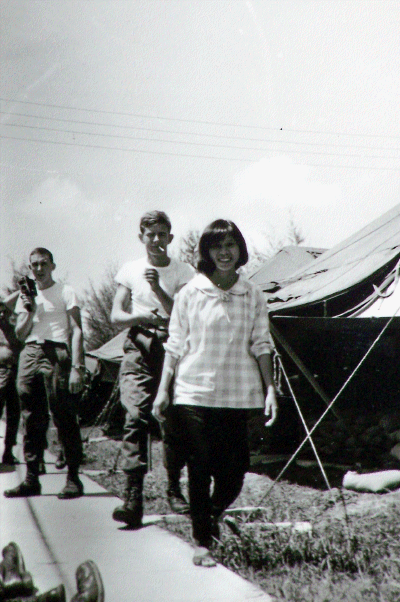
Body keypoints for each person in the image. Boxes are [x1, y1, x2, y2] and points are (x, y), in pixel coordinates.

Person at [152, 219, 278, 567]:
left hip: (239, 394)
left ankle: (208, 515)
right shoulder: (190, 293)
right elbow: (175, 345)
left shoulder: (252, 294)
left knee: (235, 472)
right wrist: (163, 391)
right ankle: (202, 541)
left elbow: (262, 344)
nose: (224, 253)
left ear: (240, 249)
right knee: (200, 465)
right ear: (206, 252)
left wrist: (270, 389)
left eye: (230, 245)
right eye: (216, 247)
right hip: (194, 391)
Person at [111, 210, 194, 528]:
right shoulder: (130, 270)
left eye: (162, 234)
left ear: (170, 237)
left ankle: (174, 488)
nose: (157, 240)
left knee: (174, 422)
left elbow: (183, 312)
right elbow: (116, 315)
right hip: (139, 346)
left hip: (173, 349)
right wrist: (141, 318)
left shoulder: (184, 271)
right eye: (151, 234)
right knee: (134, 416)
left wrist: (159, 290)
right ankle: (134, 497)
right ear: (141, 238)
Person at [4, 248, 85, 499]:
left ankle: (73, 479)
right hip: (30, 352)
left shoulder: (65, 291)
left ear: (52, 265)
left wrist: (77, 368)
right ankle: (31, 479)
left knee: (63, 415)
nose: (39, 269)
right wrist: (29, 309)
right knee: (31, 417)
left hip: (56, 351)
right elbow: (19, 334)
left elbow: (77, 330)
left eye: (43, 264)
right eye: (34, 265)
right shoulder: (26, 296)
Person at [0, 295, 21, 466]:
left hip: (15, 372)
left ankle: (8, 451)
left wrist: (25, 286)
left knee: (14, 416)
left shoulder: (16, 328)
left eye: (4, 310)